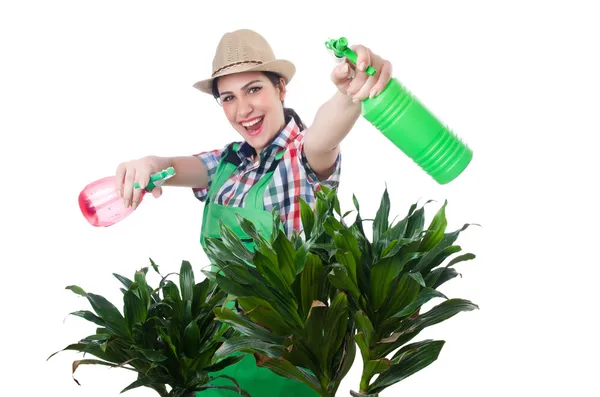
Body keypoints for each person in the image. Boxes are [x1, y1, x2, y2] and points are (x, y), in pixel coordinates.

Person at [114, 29, 392, 397]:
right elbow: (172, 166)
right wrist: (147, 163)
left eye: (254, 89)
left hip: (287, 362)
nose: (243, 110)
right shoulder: (228, 162)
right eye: (228, 97)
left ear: (280, 88)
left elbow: (326, 133)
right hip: (217, 358)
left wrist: (349, 93)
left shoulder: (302, 157)